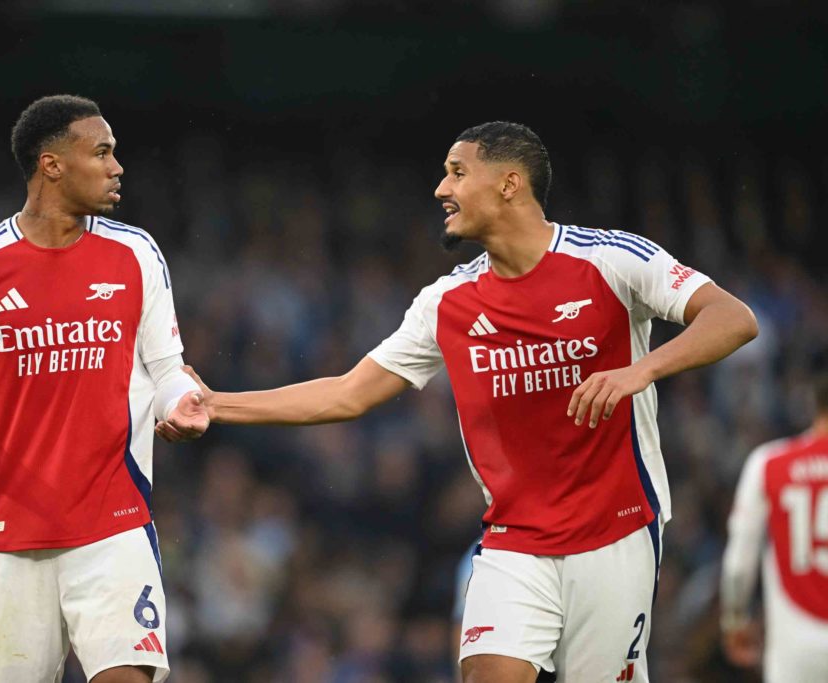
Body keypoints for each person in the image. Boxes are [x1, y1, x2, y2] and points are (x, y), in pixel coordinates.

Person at [157, 121, 759, 683]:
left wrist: (640, 370)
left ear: (509, 183)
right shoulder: (448, 300)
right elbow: (347, 392)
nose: (441, 187)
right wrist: (217, 405)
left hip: (616, 533)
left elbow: (733, 318)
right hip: (513, 541)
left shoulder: (610, 259)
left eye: (456, 172)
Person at [0, 95, 209, 683]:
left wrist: (182, 405)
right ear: (52, 165)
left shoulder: (136, 254)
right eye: (102, 152)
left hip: (114, 524)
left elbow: (168, 371)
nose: (118, 167)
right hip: (12, 537)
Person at [721, 373, 828, 683]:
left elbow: (740, 559)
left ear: (814, 405)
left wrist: (735, 619)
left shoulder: (768, 463)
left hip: (797, 647)